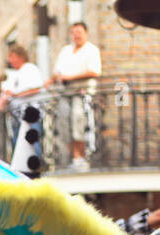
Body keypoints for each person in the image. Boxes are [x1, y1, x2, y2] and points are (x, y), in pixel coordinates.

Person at [48, 21, 102, 169]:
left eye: (79, 32)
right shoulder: (66, 51)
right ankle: (73, 156)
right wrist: (50, 81)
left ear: (86, 33)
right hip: (65, 93)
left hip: (82, 93)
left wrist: (69, 78)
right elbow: (58, 72)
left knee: (79, 121)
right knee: (64, 123)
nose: (76, 35)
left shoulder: (91, 50)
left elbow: (94, 72)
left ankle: (82, 156)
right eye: (74, 32)